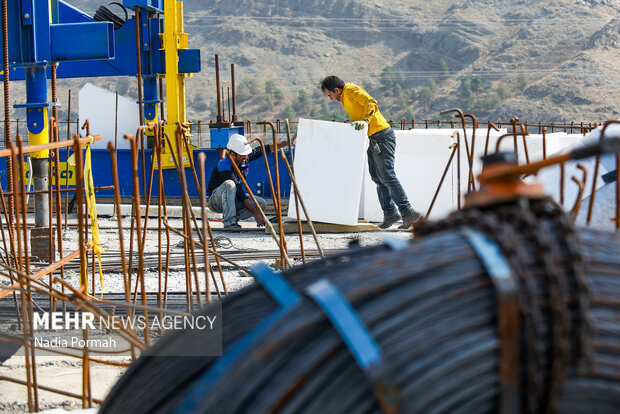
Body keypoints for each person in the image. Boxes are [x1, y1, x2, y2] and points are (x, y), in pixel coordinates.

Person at [320, 75, 423, 229]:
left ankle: (408, 213)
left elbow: (371, 102)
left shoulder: (351, 90)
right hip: (372, 138)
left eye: (330, 95)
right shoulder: (345, 97)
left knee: (387, 175)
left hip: (382, 136)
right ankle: (390, 214)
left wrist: (367, 120)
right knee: (377, 178)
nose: (330, 99)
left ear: (336, 90)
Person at [206, 134, 267, 229]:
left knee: (261, 203)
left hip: (232, 198)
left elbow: (264, 149)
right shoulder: (224, 165)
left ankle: (233, 217)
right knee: (230, 184)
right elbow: (240, 193)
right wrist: (256, 214)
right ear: (233, 155)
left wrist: (287, 142)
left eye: (246, 154)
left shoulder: (244, 157)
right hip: (215, 201)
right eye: (243, 155)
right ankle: (229, 223)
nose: (246, 157)